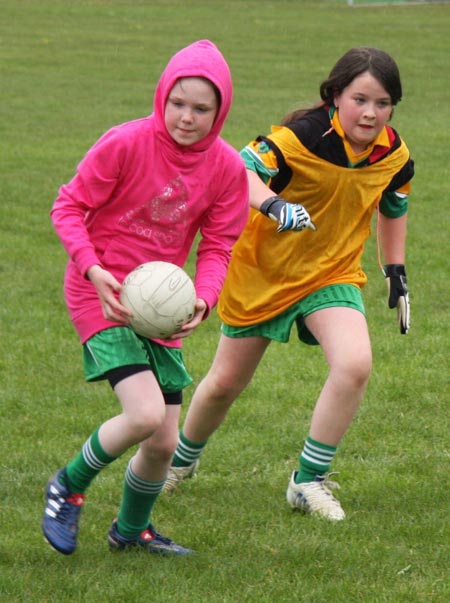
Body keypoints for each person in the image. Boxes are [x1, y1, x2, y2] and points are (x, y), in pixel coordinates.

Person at [164, 47, 414, 521]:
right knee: (224, 385)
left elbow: (393, 207)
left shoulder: (394, 154)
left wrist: (395, 272)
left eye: (382, 103)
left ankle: (308, 480)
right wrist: (274, 206)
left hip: (331, 273)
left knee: (355, 364)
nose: (370, 113)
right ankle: (178, 463)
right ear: (335, 95)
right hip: (264, 273)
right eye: (360, 99)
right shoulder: (300, 137)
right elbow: (239, 170)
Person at [41, 39, 249, 556]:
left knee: (163, 443)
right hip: (103, 293)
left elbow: (219, 244)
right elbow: (67, 207)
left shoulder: (225, 168)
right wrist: (92, 270)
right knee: (142, 415)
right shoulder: (125, 143)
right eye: (178, 103)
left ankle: (131, 532)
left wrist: (203, 299)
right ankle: (67, 486)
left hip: (162, 305)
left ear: (219, 111)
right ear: (162, 96)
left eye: (202, 109)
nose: (186, 118)